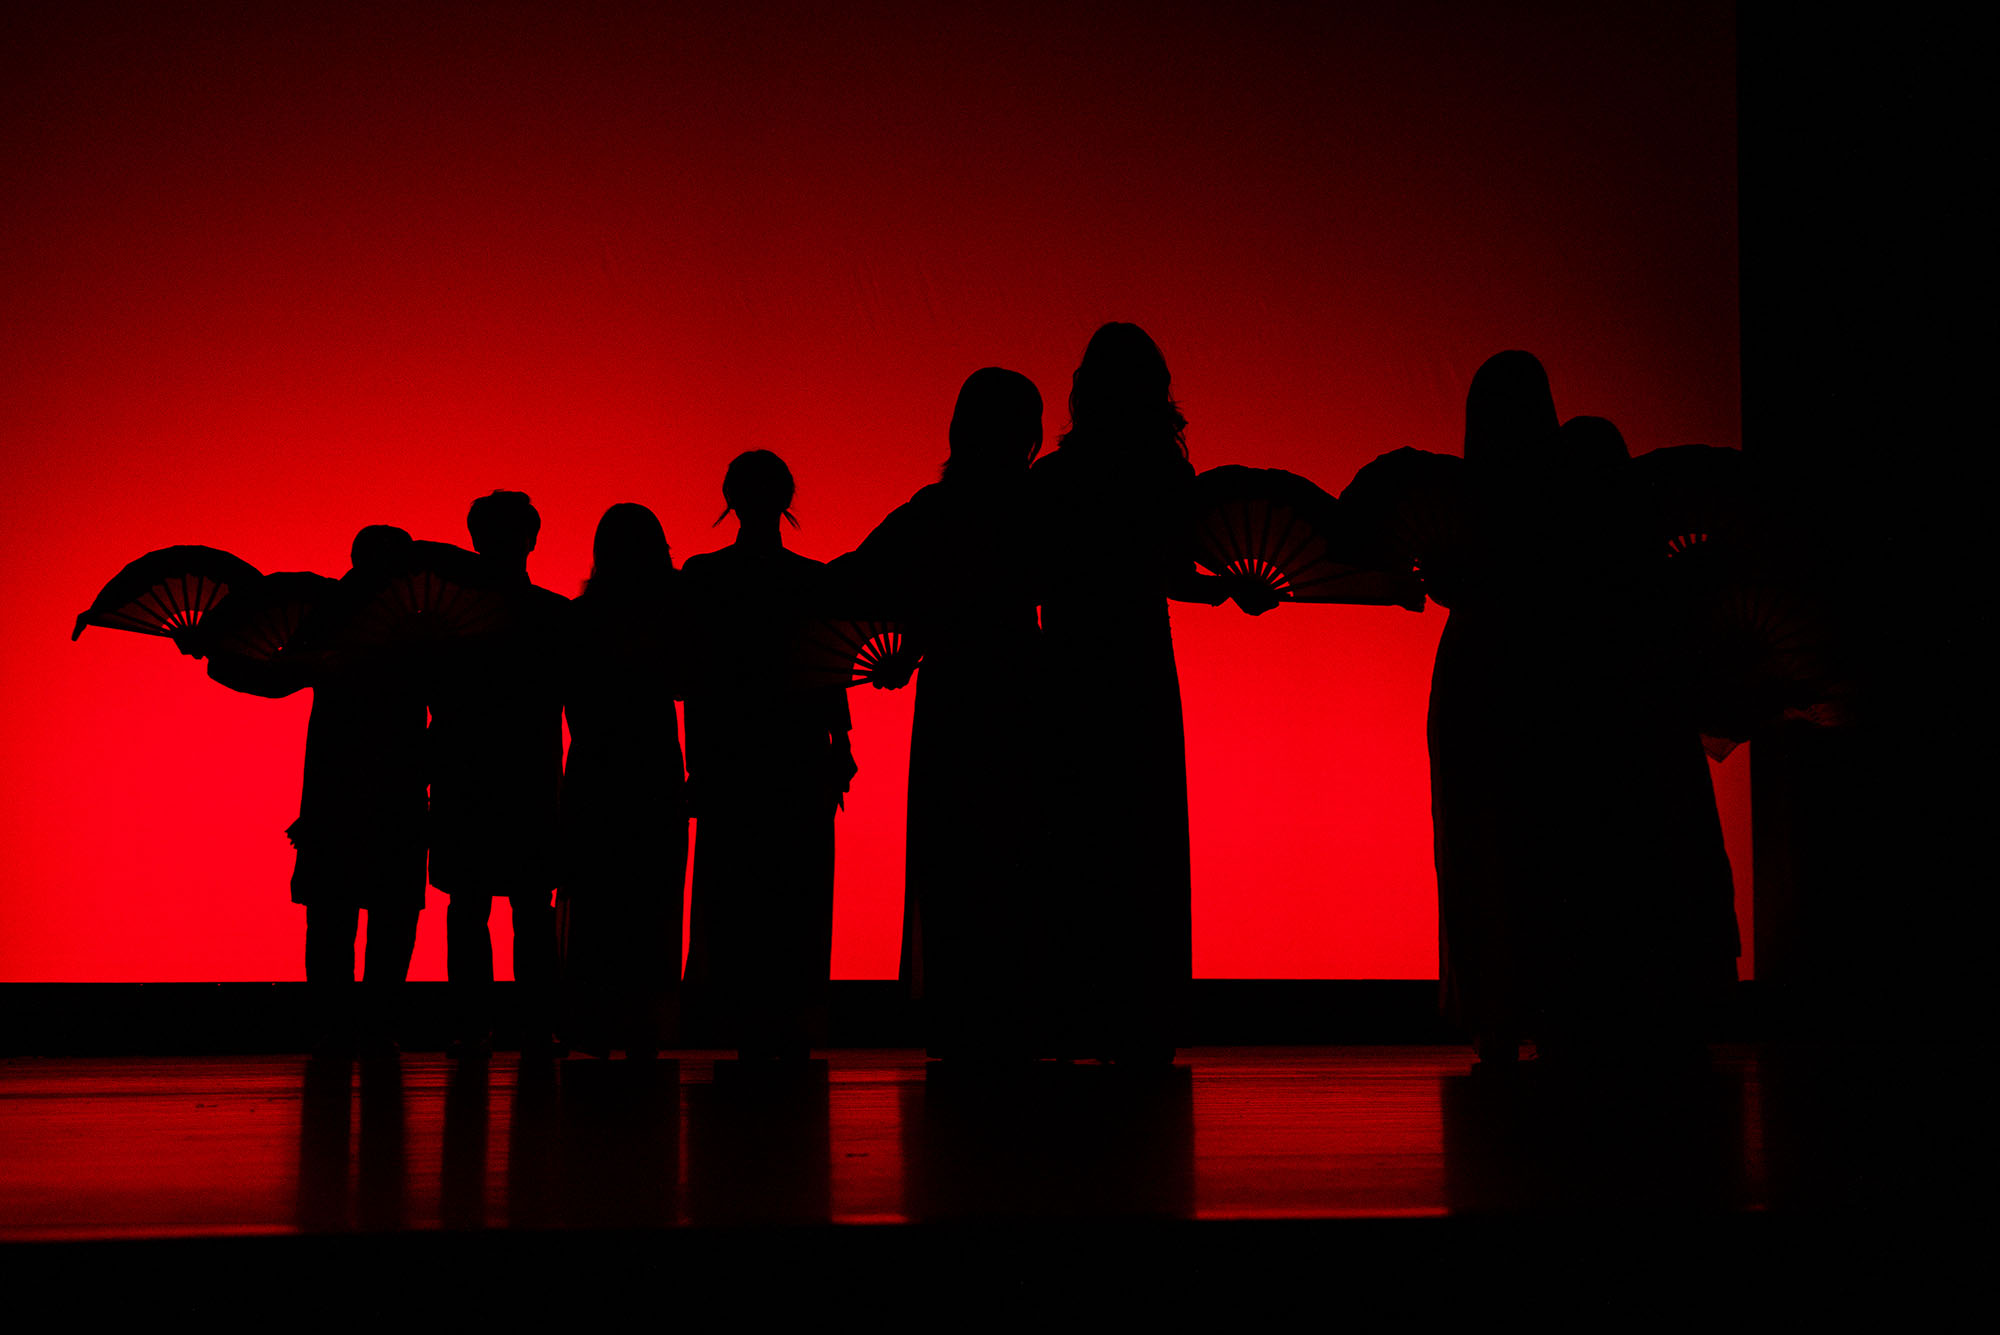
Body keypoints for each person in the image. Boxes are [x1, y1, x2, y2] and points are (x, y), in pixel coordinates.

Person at [1030, 323, 1275, 1064]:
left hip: (1067, 663)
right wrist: (1227, 590)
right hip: (1136, 662)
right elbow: (1176, 574)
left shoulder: (1053, 478)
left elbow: (1032, 573)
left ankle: (1070, 1007)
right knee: (1139, 832)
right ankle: (1141, 1009)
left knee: (1073, 833)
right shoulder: (1161, 475)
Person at [829, 368, 1046, 1061]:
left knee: (955, 850)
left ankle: (959, 1009)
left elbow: (859, 576)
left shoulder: (938, 507)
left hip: (956, 688)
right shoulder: (1039, 507)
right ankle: (1018, 1005)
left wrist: (906, 644)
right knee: (1020, 846)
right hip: (1022, 684)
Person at [681, 452, 855, 1060]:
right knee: (797, 890)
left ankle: (738, 1014)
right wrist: (843, 744)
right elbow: (829, 669)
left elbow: (695, 678)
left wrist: (695, 760)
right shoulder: (813, 580)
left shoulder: (701, 577)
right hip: (797, 751)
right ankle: (791, 1014)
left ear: (731, 497)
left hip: (730, 752)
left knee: (735, 889)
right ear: (788, 496)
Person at [1426, 351, 1571, 1071]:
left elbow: (1454, 581)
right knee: (1545, 843)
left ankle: (1493, 1011)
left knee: (1482, 846)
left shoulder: (1462, 496)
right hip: (1547, 670)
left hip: (1478, 668)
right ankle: (1552, 1000)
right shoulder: (1567, 497)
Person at [246, 525, 428, 1054]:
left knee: (332, 913)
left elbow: (272, 676)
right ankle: (378, 1024)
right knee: (389, 912)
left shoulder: (325, 612)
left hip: (334, 781)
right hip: (399, 777)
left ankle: (332, 1024)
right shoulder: (413, 618)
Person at [428, 490, 571, 1053]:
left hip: (465, 772)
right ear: (532, 540)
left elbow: (432, 693)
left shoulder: (445, 621)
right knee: (533, 907)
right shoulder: (555, 616)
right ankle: (537, 1024)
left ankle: (469, 1025)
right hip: (532, 772)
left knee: (467, 905)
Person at [557, 503, 688, 1059]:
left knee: (595, 896)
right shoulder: (671, 619)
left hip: (595, 767)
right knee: (652, 896)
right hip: (654, 766)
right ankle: (645, 1019)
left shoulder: (579, 619)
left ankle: (594, 1017)